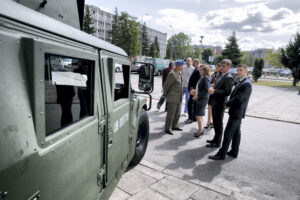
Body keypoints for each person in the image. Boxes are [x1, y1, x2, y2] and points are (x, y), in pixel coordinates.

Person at [209, 64, 252, 160]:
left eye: (241, 70)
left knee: (228, 133)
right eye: (238, 70)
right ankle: (234, 151)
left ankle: (222, 154)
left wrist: (228, 104)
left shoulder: (247, 84)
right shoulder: (242, 81)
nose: (238, 72)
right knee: (236, 133)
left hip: (237, 112)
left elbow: (239, 98)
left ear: (246, 71)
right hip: (236, 111)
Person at [206, 59, 234, 148]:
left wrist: (215, 91)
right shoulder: (219, 74)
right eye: (221, 65)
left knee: (218, 123)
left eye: (224, 66)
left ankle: (218, 142)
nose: (221, 67)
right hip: (215, 102)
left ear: (228, 68)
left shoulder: (228, 77)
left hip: (220, 103)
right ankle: (215, 139)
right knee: (215, 122)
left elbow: (228, 92)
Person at [163, 60, 184, 135]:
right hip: (172, 97)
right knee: (171, 114)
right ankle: (167, 128)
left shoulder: (179, 73)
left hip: (178, 97)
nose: (183, 66)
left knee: (177, 113)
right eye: (182, 65)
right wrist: (164, 95)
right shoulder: (172, 74)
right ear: (178, 65)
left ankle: (175, 126)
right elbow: (166, 85)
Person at [192, 65, 211, 137]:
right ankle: (200, 130)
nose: (200, 71)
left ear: (205, 71)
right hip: (201, 98)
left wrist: (197, 95)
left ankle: (199, 131)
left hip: (202, 99)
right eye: (200, 69)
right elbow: (200, 88)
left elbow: (206, 91)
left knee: (198, 115)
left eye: (202, 70)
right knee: (199, 115)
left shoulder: (205, 78)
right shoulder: (202, 77)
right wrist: (195, 91)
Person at [204, 63, 221, 129]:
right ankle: (209, 122)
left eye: (217, 67)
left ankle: (213, 123)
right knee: (209, 108)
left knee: (215, 110)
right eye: (215, 67)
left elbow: (215, 84)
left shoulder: (220, 75)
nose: (215, 68)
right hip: (211, 94)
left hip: (216, 94)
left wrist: (210, 85)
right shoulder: (214, 74)